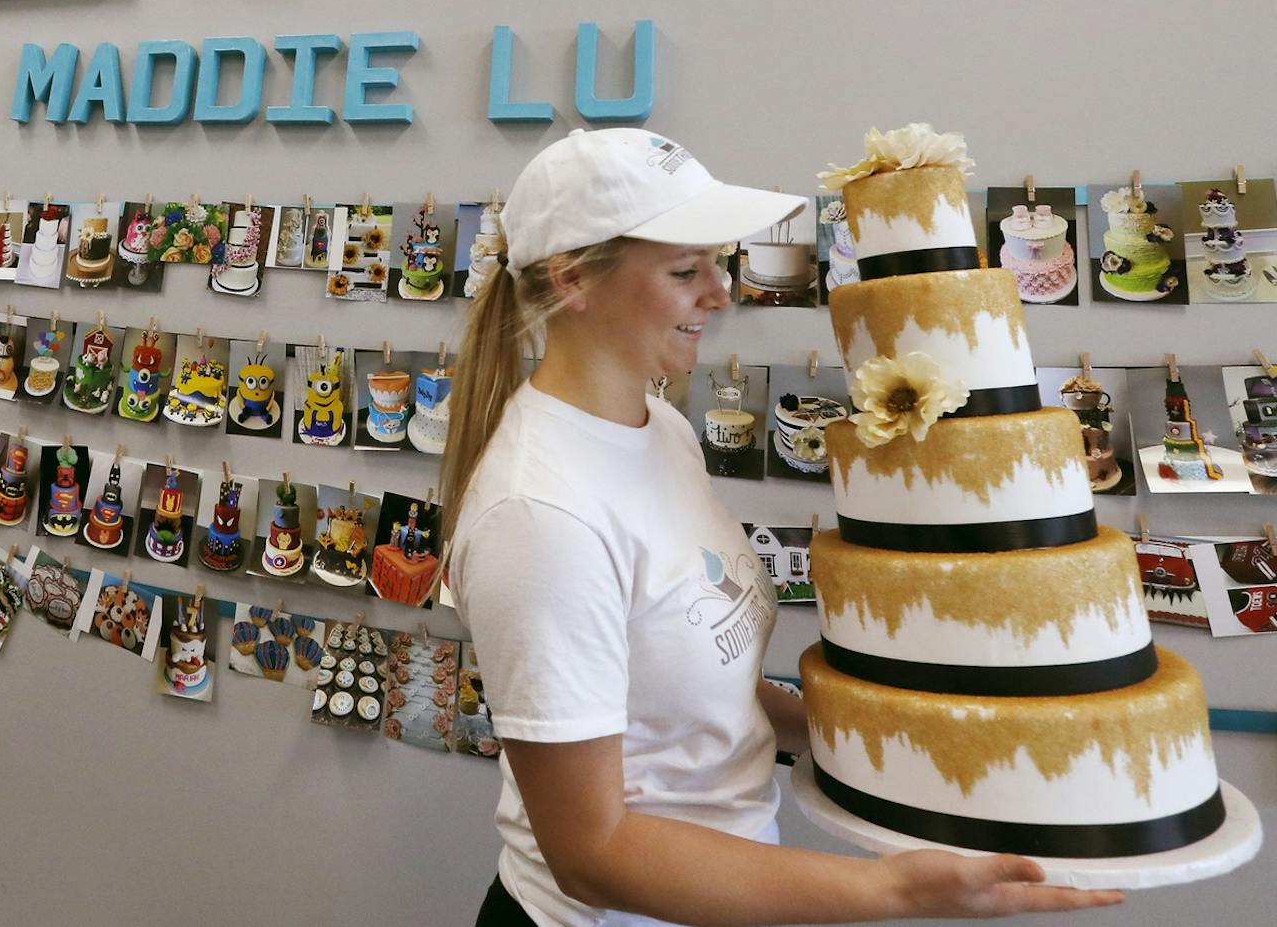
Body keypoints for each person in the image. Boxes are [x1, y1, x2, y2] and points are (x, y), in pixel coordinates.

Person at [441, 129, 1123, 926]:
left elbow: (688, 690)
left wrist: (916, 742)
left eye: (719, 263)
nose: (721, 293)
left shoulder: (659, 430)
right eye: (684, 270)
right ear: (572, 281)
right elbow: (592, 853)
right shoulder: (540, 517)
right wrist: (893, 890)